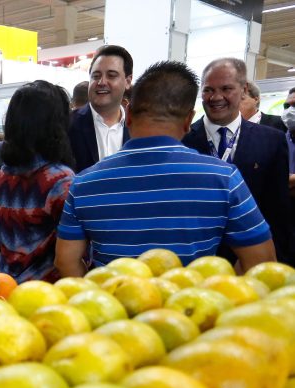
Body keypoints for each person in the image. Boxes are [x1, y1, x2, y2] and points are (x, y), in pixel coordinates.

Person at [55, 61, 275, 277]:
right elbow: (260, 262)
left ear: (128, 114)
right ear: (189, 120)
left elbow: (65, 262)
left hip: (112, 306)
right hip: (192, 308)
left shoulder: (84, 182)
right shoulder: (225, 178)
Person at [182, 57, 293, 265]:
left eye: (226, 89)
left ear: (244, 90)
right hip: (195, 263)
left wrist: (279, 265)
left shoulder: (271, 140)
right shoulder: (183, 139)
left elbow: (279, 212)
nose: (216, 97)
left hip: (251, 262)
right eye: (208, 90)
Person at [0, 80, 75, 283]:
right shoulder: (61, 181)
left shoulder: (2, 177)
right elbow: (71, 254)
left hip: (5, 287)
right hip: (46, 294)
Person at [68, 45, 133, 173]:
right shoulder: (68, 125)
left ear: (127, 81)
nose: (101, 82)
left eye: (111, 75)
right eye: (96, 76)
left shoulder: (138, 128)